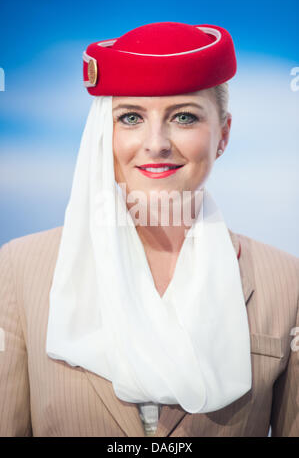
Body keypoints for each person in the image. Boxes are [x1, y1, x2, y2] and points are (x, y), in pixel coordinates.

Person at [0, 21, 298, 438]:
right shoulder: (18, 272)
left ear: (224, 135)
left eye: (183, 116)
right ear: (104, 133)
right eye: (131, 117)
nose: (156, 142)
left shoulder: (287, 284)